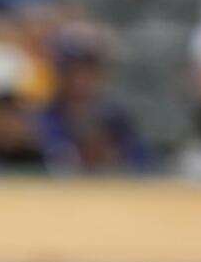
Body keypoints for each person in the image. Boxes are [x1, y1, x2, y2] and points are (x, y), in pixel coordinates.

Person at [38, 24, 150, 174]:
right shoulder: (45, 117)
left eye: (89, 71)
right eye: (74, 72)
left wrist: (112, 158)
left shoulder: (116, 116)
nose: (81, 80)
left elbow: (143, 165)